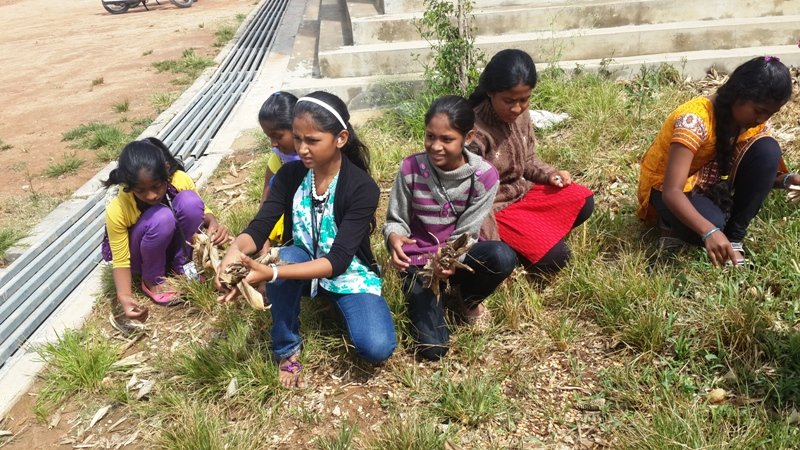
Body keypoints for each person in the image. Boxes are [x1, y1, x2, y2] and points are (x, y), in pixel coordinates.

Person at [216, 91, 397, 388]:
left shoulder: (361, 187)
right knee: (285, 258)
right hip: (300, 262)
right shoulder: (290, 176)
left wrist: (271, 273)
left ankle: (336, 299)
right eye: (298, 138)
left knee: (377, 348)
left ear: (340, 138)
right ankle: (286, 348)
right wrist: (233, 252)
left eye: (312, 140)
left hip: (347, 273)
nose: (302, 149)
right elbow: (260, 226)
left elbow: (338, 261)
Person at [384, 95, 516, 361]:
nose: (435, 146)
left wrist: (449, 260)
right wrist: (394, 237)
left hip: (457, 258)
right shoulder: (411, 168)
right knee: (433, 349)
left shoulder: (484, 176)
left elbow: (467, 233)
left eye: (446, 139)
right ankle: (427, 296)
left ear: (468, 138)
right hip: (419, 261)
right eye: (430, 136)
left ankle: (468, 298)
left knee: (502, 256)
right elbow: (395, 219)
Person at [637, 56, 795, 266]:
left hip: (707, 183)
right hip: (665, 190)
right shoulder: (693, 120)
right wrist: (709, 231)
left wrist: (787, 180)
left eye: (769, 114)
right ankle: (668, 221)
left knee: (768, 149)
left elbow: (753, 173)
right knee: (711, 223)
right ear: (738, 94)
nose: (761, 119)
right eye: (759, 111)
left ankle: (733, 238)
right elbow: (671, 191)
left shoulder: (749, 122)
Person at [467, 49, 594, 273]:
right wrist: (493, 244)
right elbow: (474, 198)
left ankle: (533, 238)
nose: (517, 108)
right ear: (490, 92)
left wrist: (550, 174)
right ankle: (518, 246)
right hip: (495, 210)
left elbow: (528, 160)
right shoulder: (474, 133)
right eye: (509, 101)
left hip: (523, 194)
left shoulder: (520, 116)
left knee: (583, 199)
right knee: (557, 257)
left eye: (524, 100)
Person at [102, 137, 229, 321]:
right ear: (129, 186)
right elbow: (121, 260)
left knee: (190, 202)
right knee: (162, 217)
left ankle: (182, 265)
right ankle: (152, 279)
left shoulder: (179, 180)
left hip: (175, 242)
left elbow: (202, 210)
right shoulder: (119, 207)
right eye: (141, 190)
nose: (151, 195)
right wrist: (125, 296)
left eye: (157, 186)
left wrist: (213, 224)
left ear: (167, 171)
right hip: (141, 256)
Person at [258, 91, 300, 244]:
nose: (273, 144)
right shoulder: (279, 158)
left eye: (277, 136)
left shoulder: (318, 158)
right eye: (269, 137)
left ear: (296, 128)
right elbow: (266, 200)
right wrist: (262, 238)